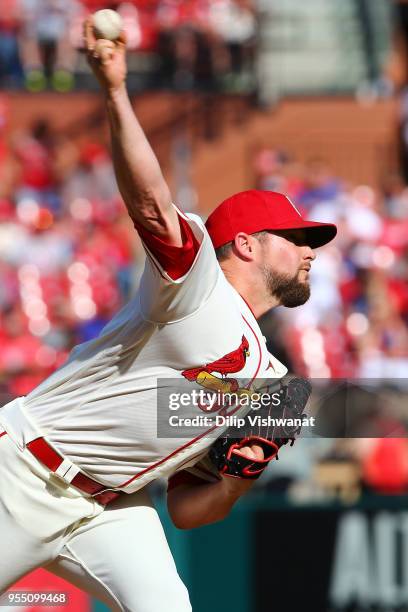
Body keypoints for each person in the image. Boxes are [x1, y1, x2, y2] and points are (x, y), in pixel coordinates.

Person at [0, 20, 337, 611]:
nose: (311, 250)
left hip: (111, 508)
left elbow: (186, 509)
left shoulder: (267, 378)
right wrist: (114, 91)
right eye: (295, 237)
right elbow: (153, 207)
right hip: (24, 474)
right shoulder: (196, 287)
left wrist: (239, 473)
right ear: (246, 245)